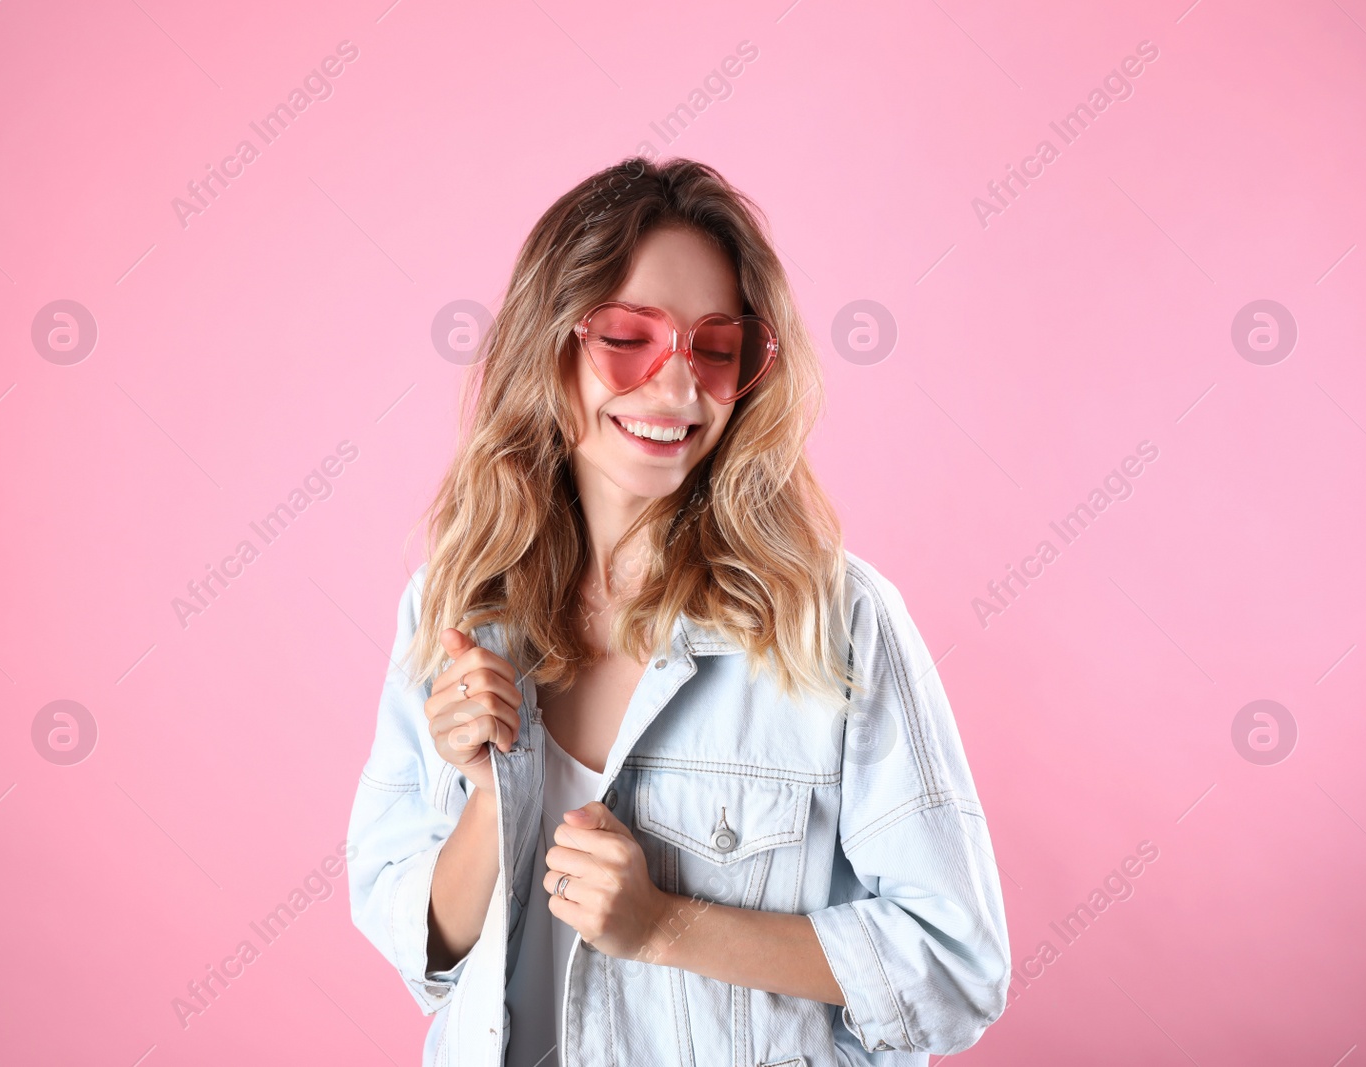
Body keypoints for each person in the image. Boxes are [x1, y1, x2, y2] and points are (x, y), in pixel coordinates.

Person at [347, 157, 1010, 1066]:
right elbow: (420, 946)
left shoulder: (834, 621)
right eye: (629, 336)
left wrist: (665, 928)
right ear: (553, 342)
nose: (677, 385)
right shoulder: (457, 605)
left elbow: (955, 966)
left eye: (715, 346)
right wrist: (491, 806)